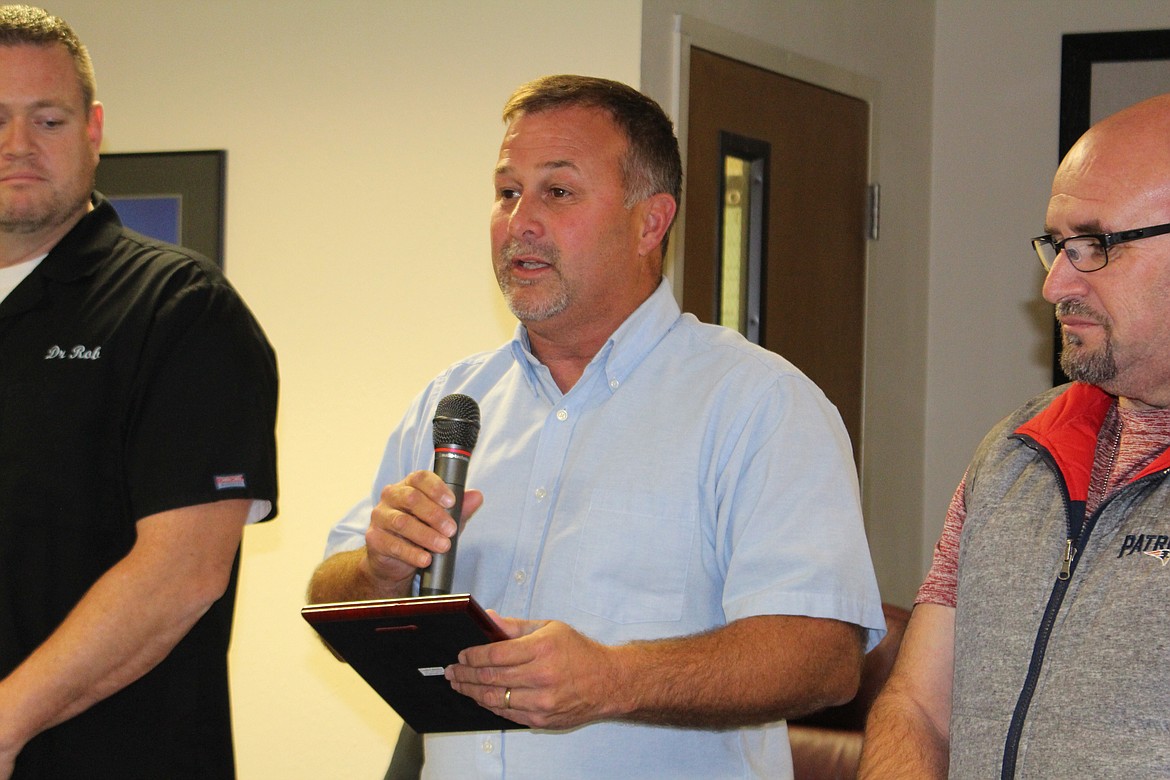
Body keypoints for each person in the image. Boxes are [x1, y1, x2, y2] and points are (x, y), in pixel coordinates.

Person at [308, 74, 884, 778]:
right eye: (506, 191)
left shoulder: (759, 405)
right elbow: (330, 605)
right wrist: (377, 568)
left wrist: (614, 678)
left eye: (557, 191)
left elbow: (823, 659)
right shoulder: (453, 400)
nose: (519, 220)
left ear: (650, 221)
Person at [0, 6, 278, 778]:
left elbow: (180, 574)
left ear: (93, 130)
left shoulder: (177, 309)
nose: (17, 146)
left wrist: (4, 724)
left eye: (47, 119)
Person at [858, 92, 1170, 779]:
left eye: (1095, 246)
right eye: (1057, 246)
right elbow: (917, 707)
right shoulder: (1018, 452)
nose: (1054, 284)